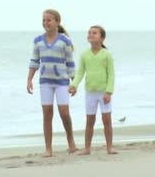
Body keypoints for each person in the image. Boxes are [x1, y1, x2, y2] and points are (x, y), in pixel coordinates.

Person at [26, 9, 78, 157]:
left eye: (48, 20)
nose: (45, 23)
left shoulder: (64, 41)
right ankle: (48, 149)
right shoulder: (38, 41)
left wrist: (74, 83)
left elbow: (70, 63)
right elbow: (34, 61)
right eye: (43, 20)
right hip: (45, 82)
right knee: (47, 114)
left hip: (62, 82)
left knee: (64, 113)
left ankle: (71, 143)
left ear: (57, 22)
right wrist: (29, 79)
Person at [70, 25, 117, 155]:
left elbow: (111, 74)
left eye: (94, 33)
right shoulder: (85, 55)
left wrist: (109, 92)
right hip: (90, 93)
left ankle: (109, 147)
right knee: (90, 120)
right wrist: (74, 85)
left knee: (106, 120)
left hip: (103, 93)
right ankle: (87, 148)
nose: (90, 34)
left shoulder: (106, 54)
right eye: (89, 33)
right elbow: (80, 72)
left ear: (102, 38)